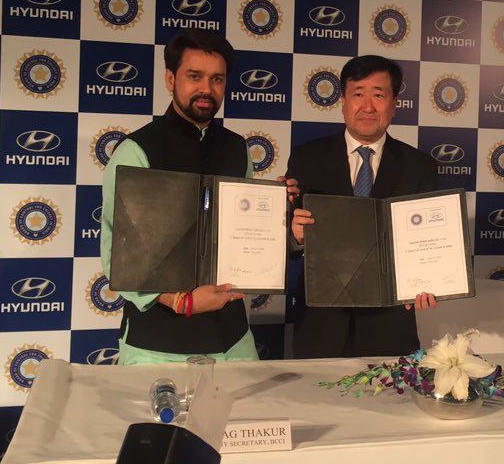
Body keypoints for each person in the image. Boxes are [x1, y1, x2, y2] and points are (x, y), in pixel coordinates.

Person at [100, 28, 258, 365]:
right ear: (170, 79)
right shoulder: (137, 150)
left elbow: (244, 233)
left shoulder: (237, 148)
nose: (206, 89)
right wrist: (181, 301)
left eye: (217, 79)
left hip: (233, 341)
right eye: (194, 76)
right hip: (157, 344)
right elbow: (116, 252)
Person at [286, 54, 438, 358]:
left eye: (378, 95)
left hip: (390, 327)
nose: (368, 106)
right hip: (320, 326)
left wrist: (431, 280)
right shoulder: (307, 158)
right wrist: (295, 237)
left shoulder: (419, 167)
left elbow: (431, 243)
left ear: (394, 104)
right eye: (358, 94)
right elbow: (290, 241)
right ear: (343, 101)